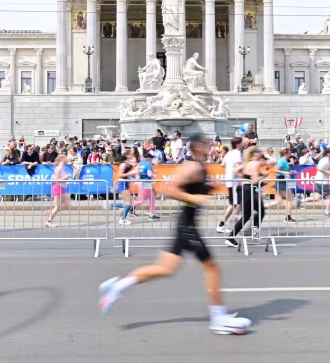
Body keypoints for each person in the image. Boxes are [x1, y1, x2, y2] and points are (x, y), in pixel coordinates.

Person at [99, 134, 253, 335]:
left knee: (165, 268)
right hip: (187, 226)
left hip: (187, 224)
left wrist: (207, 189)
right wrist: (192, 196)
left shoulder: (201, 166)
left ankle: (118, 286)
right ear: (197, 147)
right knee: (213, 268)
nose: (211, 147)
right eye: (207, 144)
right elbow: (165, 188)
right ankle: (218, 318)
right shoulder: (192, 167)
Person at [225, 147, 269, 246]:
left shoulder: (246, 163)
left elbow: (236, 170)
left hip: (245, 190)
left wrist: (244, 177)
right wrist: (264, 176)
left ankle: (232, 236)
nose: (260, 154)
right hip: (249, 191)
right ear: (254, 154)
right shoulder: (254, 163)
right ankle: (254, 232)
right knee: (260, 211)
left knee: (247, 215)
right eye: (258, 152)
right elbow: (255, 181)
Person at [218, 137, 244, 233]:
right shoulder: (237, 153)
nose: (242, 145)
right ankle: (223, 224)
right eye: (241, 143)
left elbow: (222, 164)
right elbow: (237, 167)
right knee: (233, 204)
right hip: (234, 182)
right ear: (238, 144)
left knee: (236, 204)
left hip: (231, 181)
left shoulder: (229, 153)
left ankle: (230, 224)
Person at [112, 149, 140, 225]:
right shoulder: (123, 164)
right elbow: (119, 175)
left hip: (125, 184)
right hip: (122, 184)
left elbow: (132, 170)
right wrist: (131, 173)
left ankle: (110, 205)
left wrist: (133, 174)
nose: (132, 155)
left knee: (129, 203)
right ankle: (122, 219)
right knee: (129, 203)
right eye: (131, 154)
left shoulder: (128, 164)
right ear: (127, 155)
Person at [269, 148, 297, 223]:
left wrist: (291, 172)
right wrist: (285, 172)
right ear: (286, 153)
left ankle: (259, 207)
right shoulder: (282, 161)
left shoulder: (283, 160)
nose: (290, 154)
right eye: (289, 153)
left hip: (281, 181)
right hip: (282, 181)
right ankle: (288, 217)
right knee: (290, 199)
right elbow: (275, 170)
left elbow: (284, 170)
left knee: (278, 201)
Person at [304, 149, 330, 217]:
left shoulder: (324, 159)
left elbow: (319, 168)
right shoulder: (325, 160)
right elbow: (318, 168)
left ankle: (301, 200)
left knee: (316, 198)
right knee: (329, 197)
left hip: (318, 181)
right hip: (323, 181)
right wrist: (328, 172)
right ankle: (326, 212)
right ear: (328, 154)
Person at [132, 151, 159, 220]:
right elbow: (149, 174)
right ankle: (128, 206)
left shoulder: (141, 163)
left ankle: (151, 213)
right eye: (151, 158)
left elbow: (136, 171)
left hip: (141, 182)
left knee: (150, 198)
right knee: (146, 199)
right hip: (146, 182)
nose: (152, 160)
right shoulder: (148, 164)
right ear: (149, 158)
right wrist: (154, 175)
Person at [46, 155, 71, 228]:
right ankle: (49, 221)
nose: (67, 159)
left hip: (61, 187)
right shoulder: (58, 168)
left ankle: (51, 213)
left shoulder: (63, 168)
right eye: (65, 158)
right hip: (57, 186)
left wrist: (66, 179)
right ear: (62, 159)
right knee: (57, 206)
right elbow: (57, 179)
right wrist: (66, 177)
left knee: (66, 205)